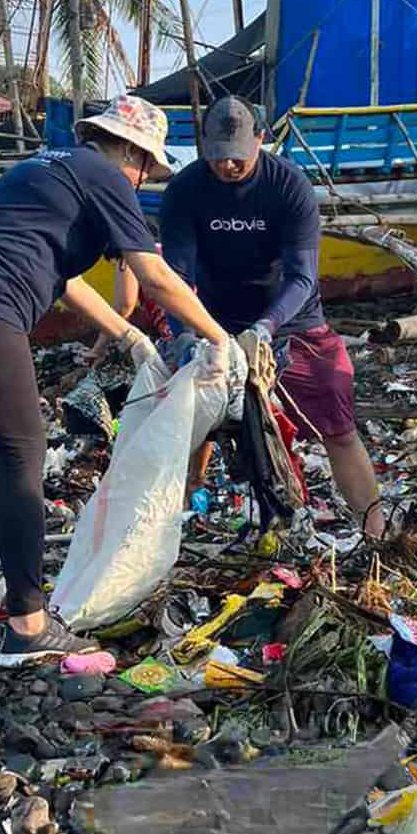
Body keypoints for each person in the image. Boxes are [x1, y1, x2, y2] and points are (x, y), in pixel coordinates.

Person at [0, 95, 230, 667]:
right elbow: (154, 274)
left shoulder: (40, 169)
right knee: (23, 455)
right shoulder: (106, 175)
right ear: (131, 151)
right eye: (143, 166)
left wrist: (127, 337)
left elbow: (66, 280)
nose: (140, 176)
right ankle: (27, 624)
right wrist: (217, 336)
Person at [157, 96, 385, 537]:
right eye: (218, 157)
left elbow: (302, 277)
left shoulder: (288, 186)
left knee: (337, 423)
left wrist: (265, 329)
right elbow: (176, 278)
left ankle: (376, 534)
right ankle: (181, 516)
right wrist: (185, 336)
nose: (227, 167)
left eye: (238, 157)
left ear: (260, 140)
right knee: (187, 418)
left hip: (291, 319)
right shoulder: (185, 191)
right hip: (215, 320)